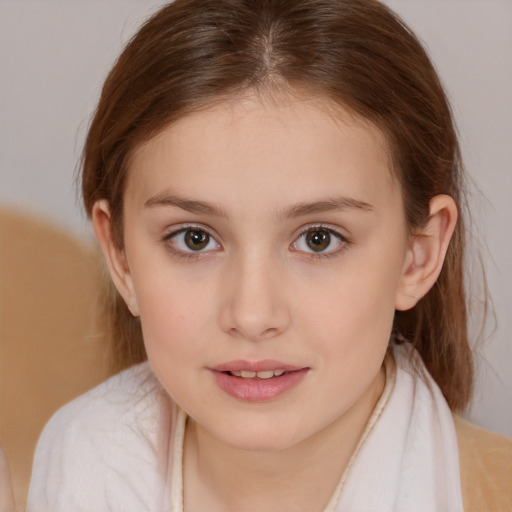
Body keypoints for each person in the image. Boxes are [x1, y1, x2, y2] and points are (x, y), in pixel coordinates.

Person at [26, 0, 512, 510]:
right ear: (120, 255)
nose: (253, 316)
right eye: (194, 239)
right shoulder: (77, 460)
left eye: (319, 239)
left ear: (418, 255)